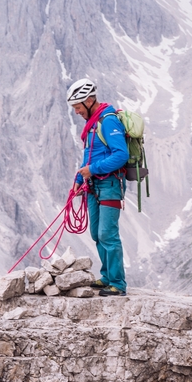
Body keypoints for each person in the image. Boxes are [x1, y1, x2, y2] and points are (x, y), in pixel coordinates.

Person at [67, 78, 129, 296]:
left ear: (89, 100)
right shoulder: (92, 123)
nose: (76, 112)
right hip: (93, 186)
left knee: (107, 233)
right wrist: (78, 181)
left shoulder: (108, 121)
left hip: (110, 184)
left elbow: (121, 155)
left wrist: (92, 170)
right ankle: (107, 276)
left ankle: (118, 284)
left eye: (77, 107)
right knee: (96, 232)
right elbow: (89, 155)